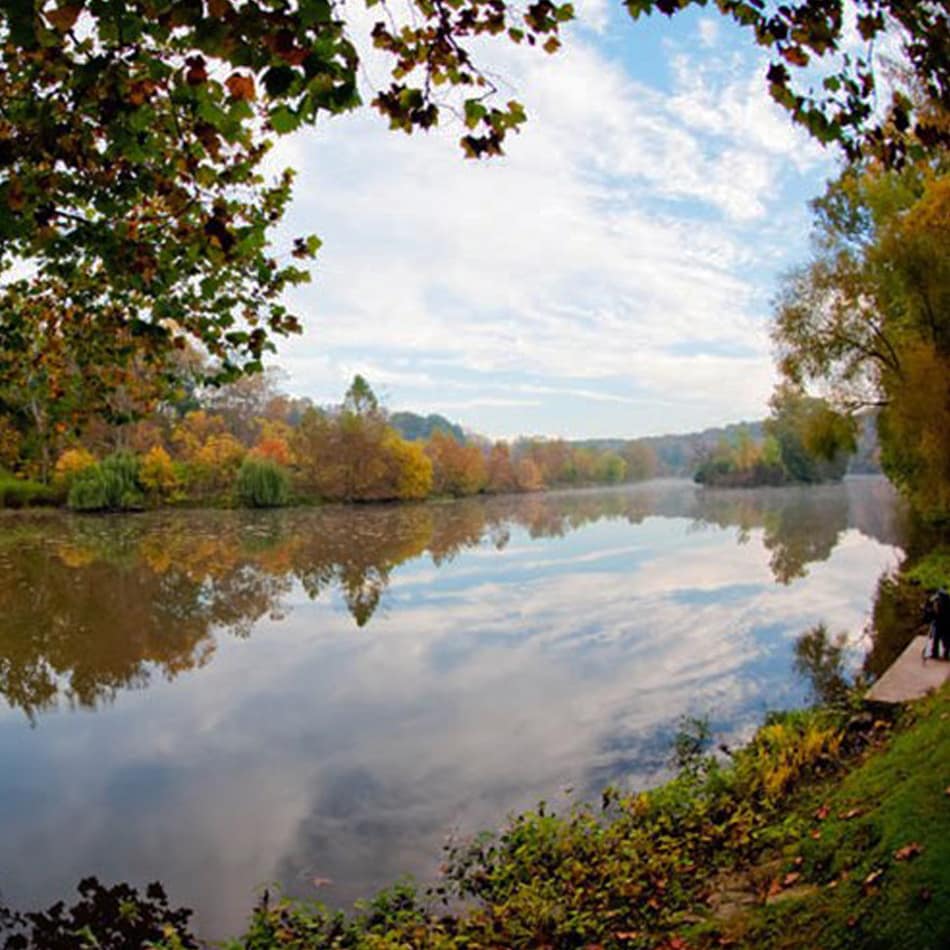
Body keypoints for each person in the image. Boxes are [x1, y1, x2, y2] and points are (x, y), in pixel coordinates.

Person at [924, 588, 950, 660]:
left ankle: (935, 653)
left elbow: (933, 611)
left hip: (939, 622)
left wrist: (931, 617)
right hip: (946, 622)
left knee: (937, 638)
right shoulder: (947, 599)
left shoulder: (936, 599)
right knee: (946, 639)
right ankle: (945, 653)